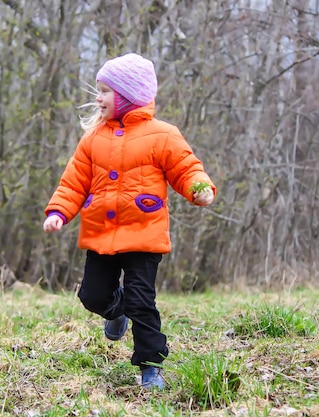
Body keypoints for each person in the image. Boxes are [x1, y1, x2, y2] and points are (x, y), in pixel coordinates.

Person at [42, 53, 216, 390]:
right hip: (102, 234)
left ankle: (151, 366)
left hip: (143, 235)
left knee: (141, 300)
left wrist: (200, 189)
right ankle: (115, 311)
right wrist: (58, 212)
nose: (98, 97)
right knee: (92, 297)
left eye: (105, 90)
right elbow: (73, 181)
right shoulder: (93, 138)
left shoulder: (162, 135)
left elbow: (186, 168)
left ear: (127, 96)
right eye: (99, 90)